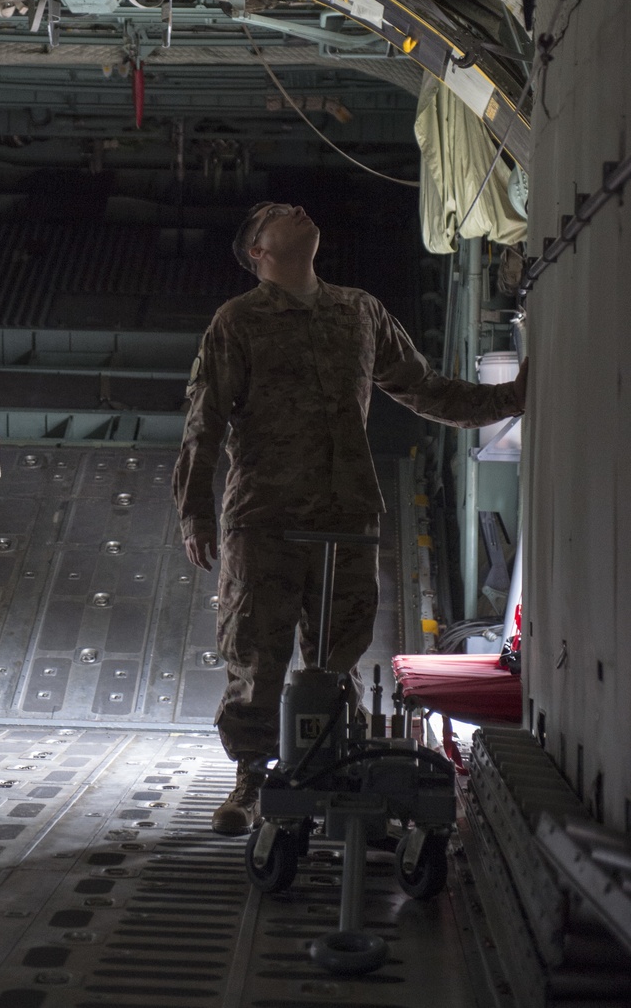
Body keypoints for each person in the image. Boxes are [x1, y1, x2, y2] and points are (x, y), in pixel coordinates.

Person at [172, 202, 527, 835]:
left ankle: (330, 769)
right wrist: (195, 512)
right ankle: (251, 777)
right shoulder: (239, 321)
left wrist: (509, 398)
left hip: (347, 513)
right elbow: (205, 423)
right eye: (278, 214)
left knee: (336, 656)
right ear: (257, 251)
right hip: (266, 519)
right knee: (257, 651)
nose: (299, 210)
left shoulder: (358, 312)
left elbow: (423, 388)